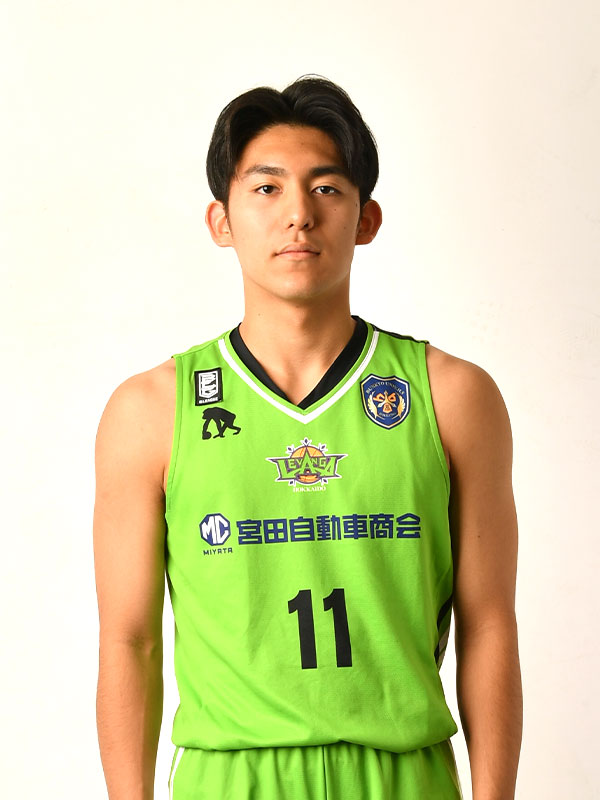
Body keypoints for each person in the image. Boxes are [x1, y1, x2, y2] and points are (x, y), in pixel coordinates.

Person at [93, 76, 522, 800]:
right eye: (266, 188)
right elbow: (130, 640)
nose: (298, 214)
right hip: (230, 777)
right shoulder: (151, 410)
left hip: (404, 773)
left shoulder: (451, 396)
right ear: (221, 220)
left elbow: (490, 627)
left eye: (326, 188)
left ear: (366, 218)